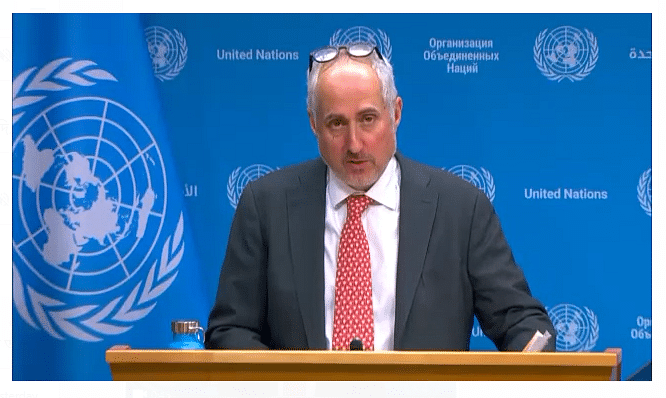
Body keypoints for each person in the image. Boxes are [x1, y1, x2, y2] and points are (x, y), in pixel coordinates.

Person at [205, 42, 556, 351]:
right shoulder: (266, 206)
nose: (355, 144)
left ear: (396, 113)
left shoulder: (460, 208)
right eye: (336, 124)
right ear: (313, 123)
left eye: (368, 119)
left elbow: (518, 321)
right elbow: (231, 331)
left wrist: (531, 351)